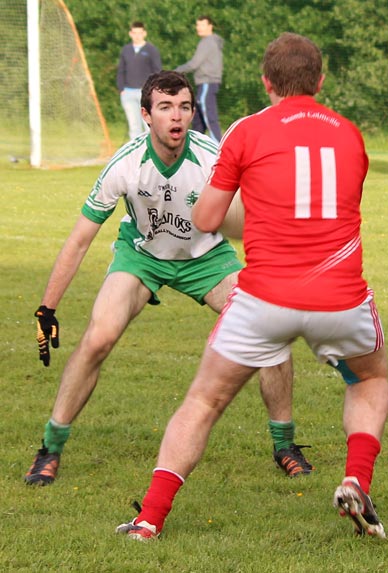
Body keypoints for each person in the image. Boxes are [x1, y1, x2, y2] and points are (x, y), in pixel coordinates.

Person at [116, 33, 388, 542]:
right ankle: (356, 479)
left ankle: (149, 519)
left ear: (266, 83)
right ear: (321, 81)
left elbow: (208, 217)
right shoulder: (351, 134)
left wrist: (248, 205)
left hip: (264, 298)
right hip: (340, 295)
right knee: (369, 379)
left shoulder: (246, 131)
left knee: (203, 402)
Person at [25, 71, 313, 487]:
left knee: (270, 328)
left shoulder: (213, 157)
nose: (176, 117)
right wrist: (47, 307)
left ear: (192, 112)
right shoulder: (125, 164)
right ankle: (50, 448)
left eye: (183, 107)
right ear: (146, 115)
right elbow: (79, 240)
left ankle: (284, 444)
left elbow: (258, 216)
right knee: (99, 336)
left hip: (207, 259)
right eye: (165, 107)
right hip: (143, 257)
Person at [175, 15, 223, 144]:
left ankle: (219, 147)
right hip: (204, 84)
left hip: (208, 83)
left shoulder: (208, 41)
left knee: (209, 117)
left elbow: (194, 64)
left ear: (210, 26)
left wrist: (176, 71)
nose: (199, 28)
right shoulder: (209, 42)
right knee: (198, 121)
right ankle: (193, 147)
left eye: (202, 25)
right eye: (198, 25)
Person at [117, 21, 162, 139]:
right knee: (134, 126)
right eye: (134, 33)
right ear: (130, 34)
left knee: (148, 125)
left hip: (145, 92)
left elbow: (157, 71)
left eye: (140, 33)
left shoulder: (151, 50)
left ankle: (151, 152)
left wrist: (152, 89)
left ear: (144, 33)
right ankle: (136, 155)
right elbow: (121, 70)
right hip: (128, 92)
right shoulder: (125, 50)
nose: (137, 36)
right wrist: (121, 89)